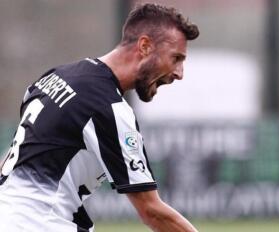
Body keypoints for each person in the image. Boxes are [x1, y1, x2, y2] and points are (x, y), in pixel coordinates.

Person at [0, 3, 199, 232]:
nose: (179, 73)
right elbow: (151, 211)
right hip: (39, 224)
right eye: (176, 58)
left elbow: (13, 158)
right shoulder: (108, 107)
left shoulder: (55, 76)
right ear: (144, 46)